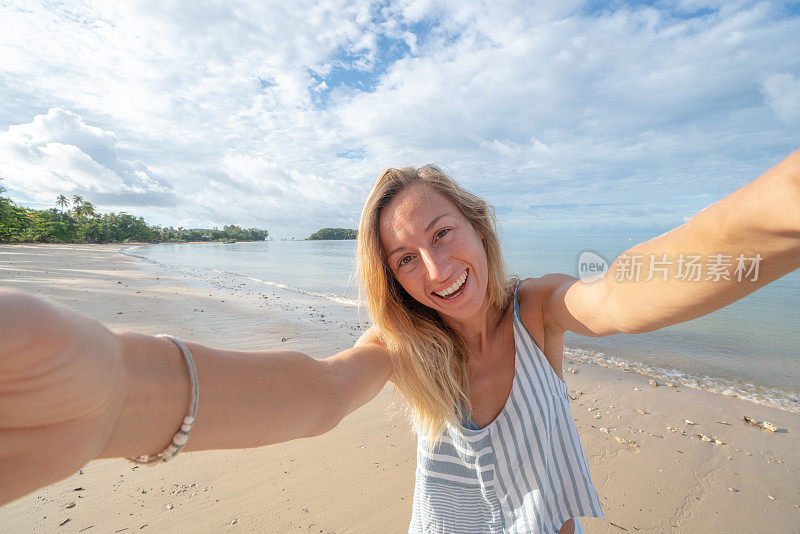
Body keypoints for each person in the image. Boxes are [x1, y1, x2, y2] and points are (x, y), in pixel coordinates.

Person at [1, 150, 799, 534]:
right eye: (405, 259)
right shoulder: (402, 345)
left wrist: (785, 206)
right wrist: (120, 399)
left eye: (443, 233)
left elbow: (627, 292)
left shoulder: (539, 311)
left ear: (478, 225)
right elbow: (317, 392)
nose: (436, 269)